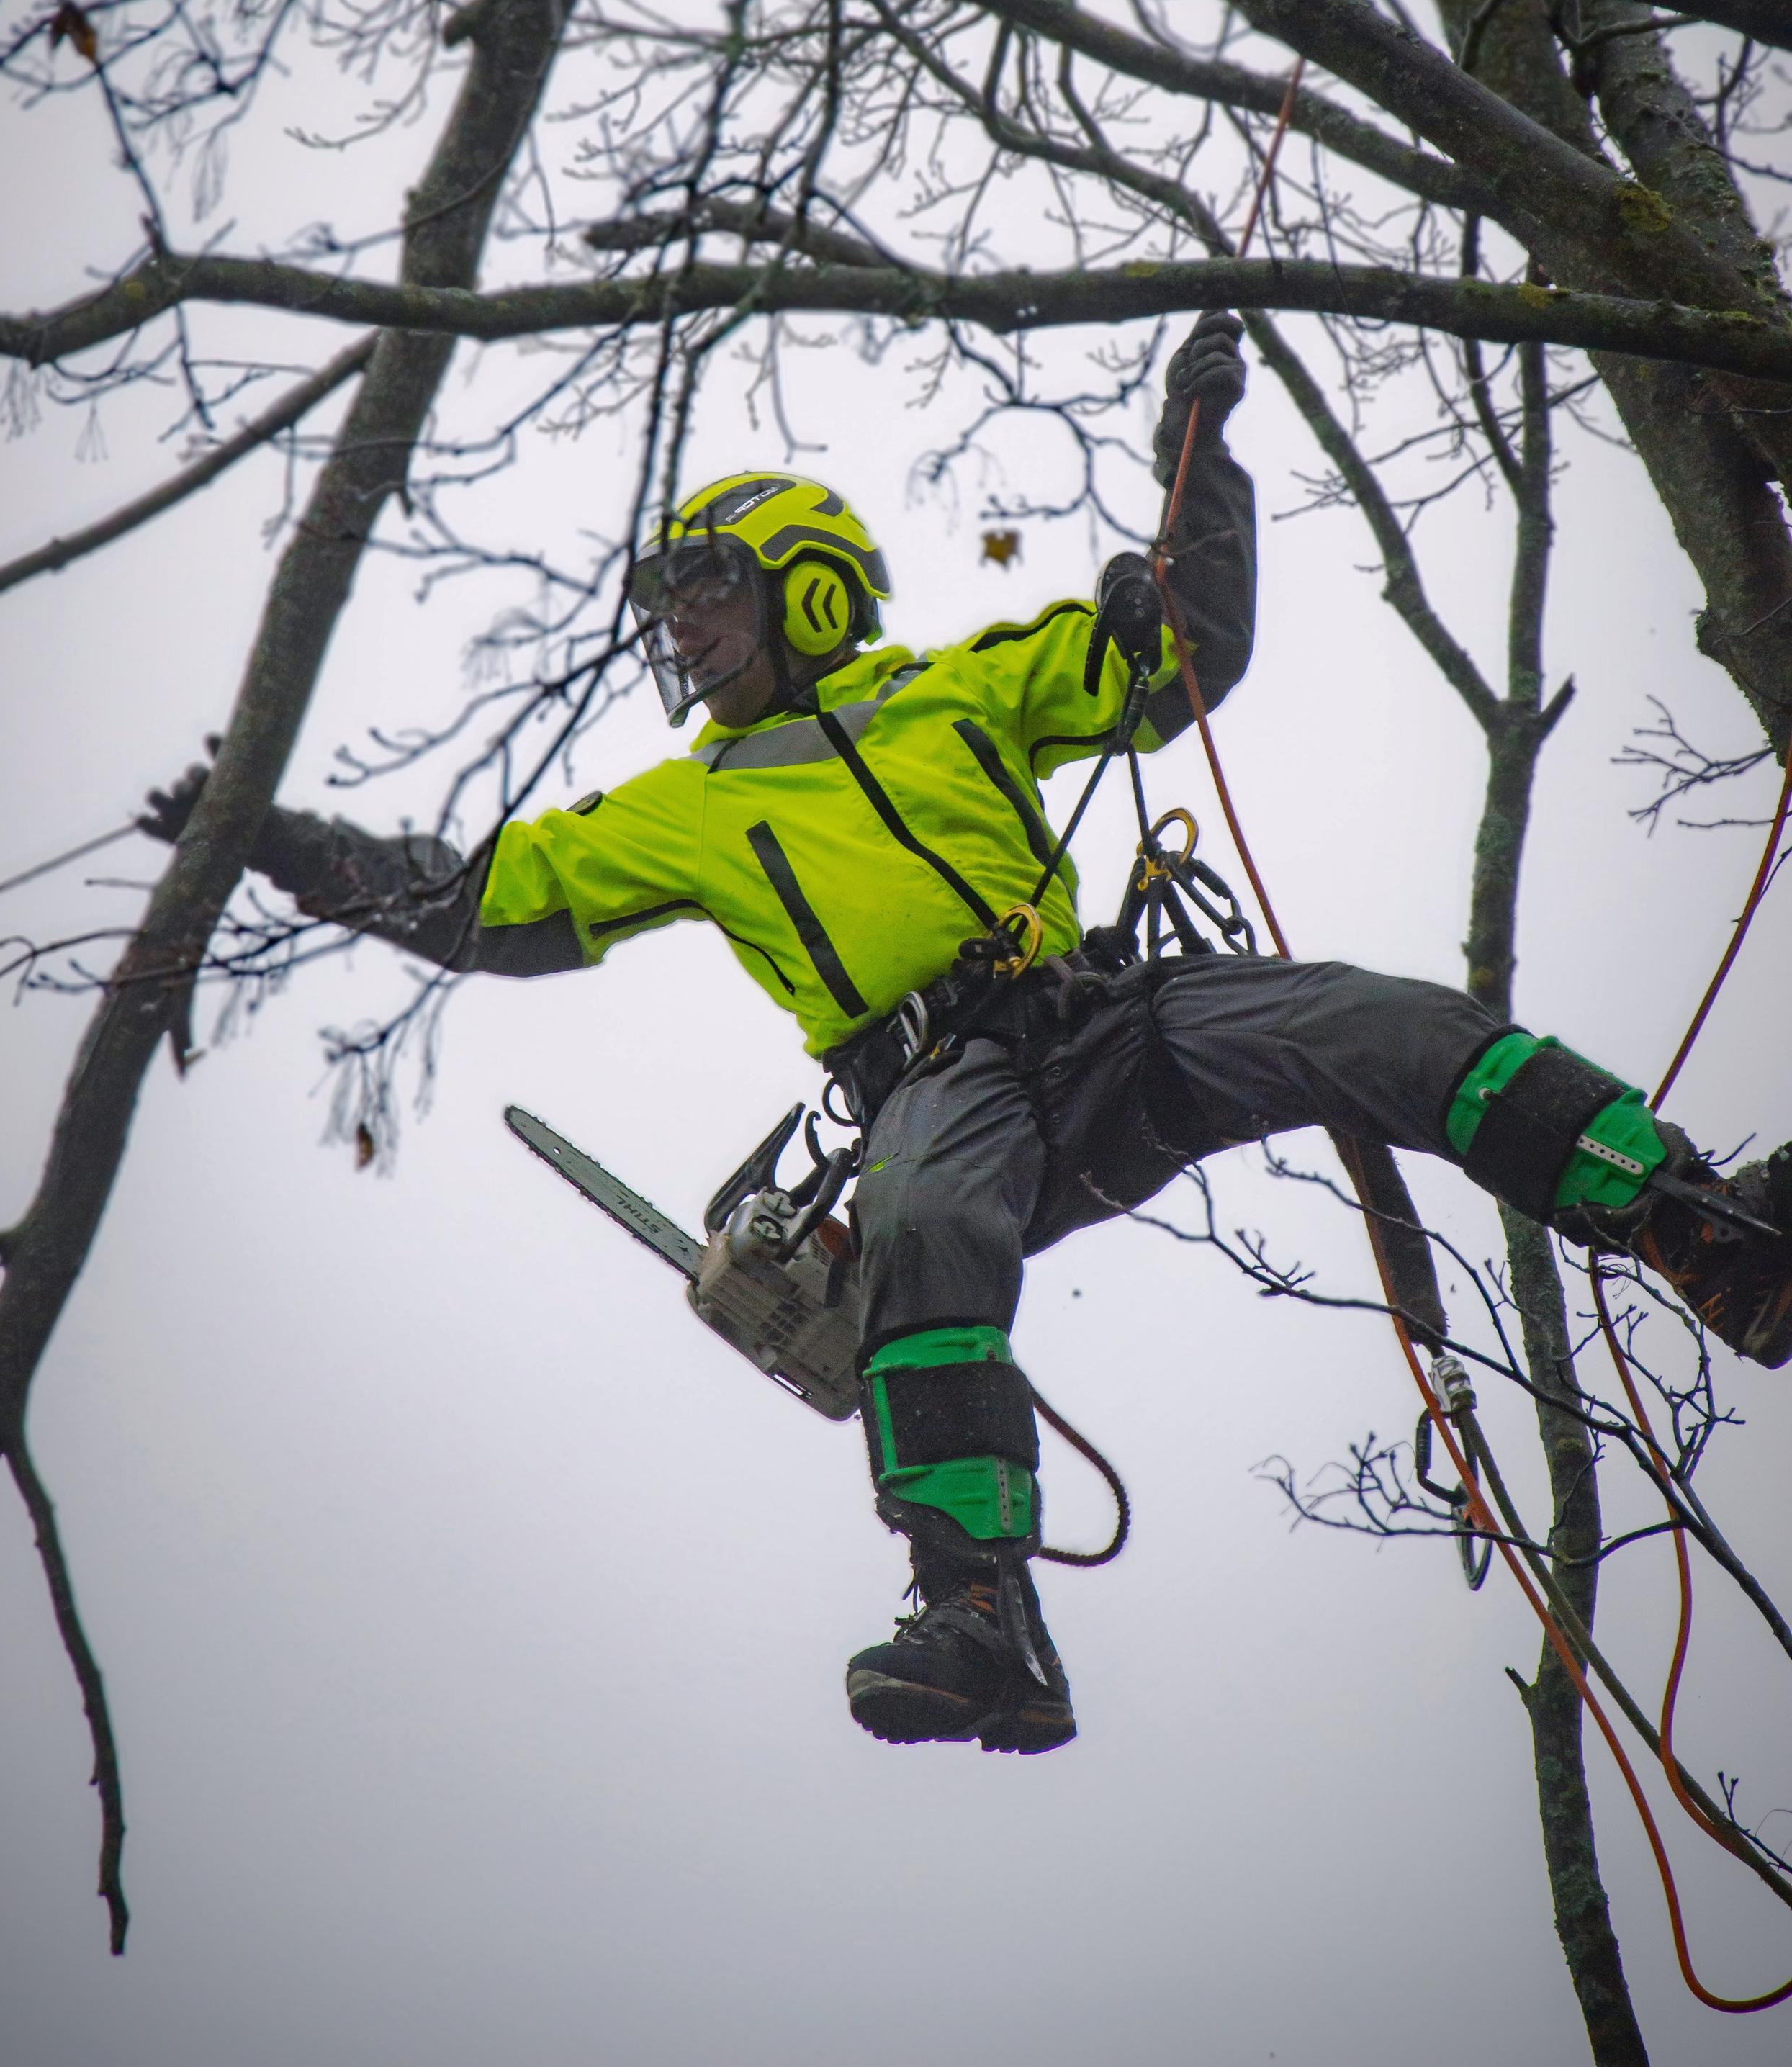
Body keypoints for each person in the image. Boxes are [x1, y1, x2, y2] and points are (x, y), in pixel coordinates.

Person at [142, 312, 1792, 1757]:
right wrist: (275, 840)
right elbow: (476, 901)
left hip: (1106, 1018)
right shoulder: (674, 807)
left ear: (802, 587)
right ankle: (976, 1613)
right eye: (669, 604)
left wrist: (1195, 455)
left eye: (701, 590)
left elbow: (1181, 654)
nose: (677, 628)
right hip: (936, 1087)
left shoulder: (959, 685)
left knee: (1389, 1024)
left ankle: (1698, 1232)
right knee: (921, 1224)